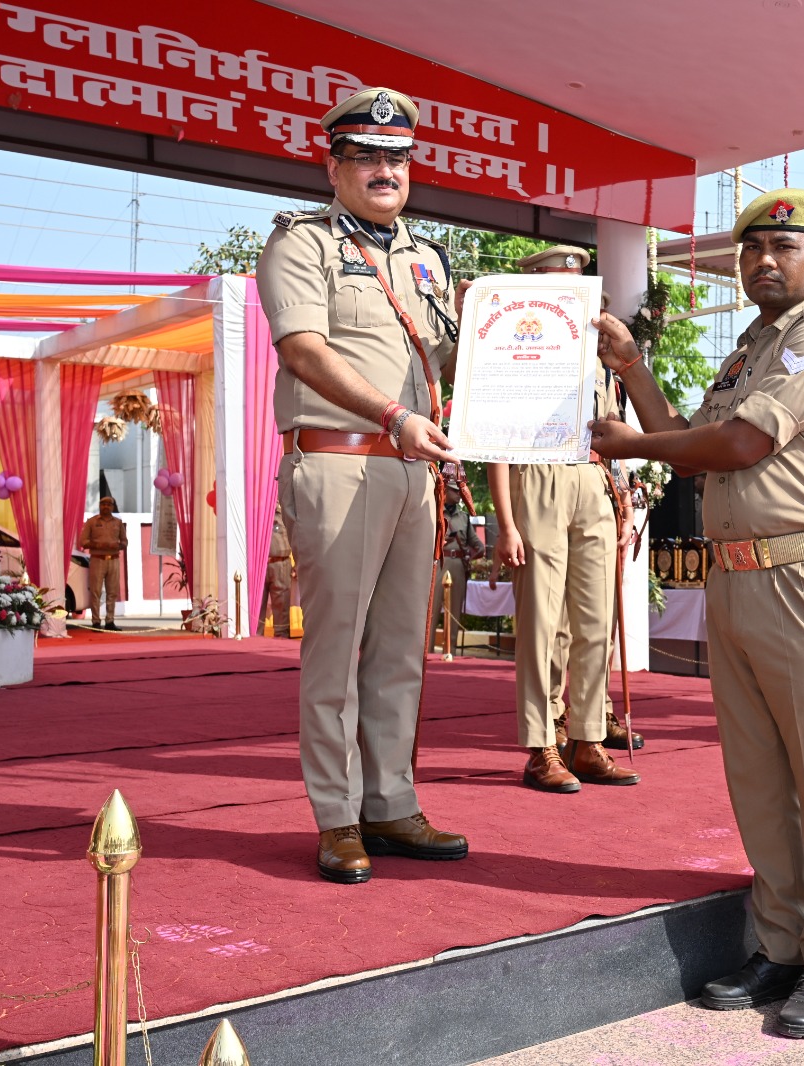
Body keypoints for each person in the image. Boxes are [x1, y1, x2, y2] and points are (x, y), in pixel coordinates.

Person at [589, 188, 804, 1039]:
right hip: (740, 580)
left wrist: (631, 445)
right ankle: (779, 943)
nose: (765, 261)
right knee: (757, 780)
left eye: (786, 246)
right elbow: (688, 439)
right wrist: (632, 364)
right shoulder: (754, 346)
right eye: (753, 249)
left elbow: (743, 444)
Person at [255, 86, 468, 885]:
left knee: (400, 653)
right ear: (334, 164)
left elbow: (441, 363)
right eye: (367, 157)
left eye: (397, 158)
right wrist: (390, 412)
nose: (385, 170)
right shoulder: (300, 244)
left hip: (414, 470)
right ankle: (337, 816)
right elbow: (305, 350)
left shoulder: (426, 255)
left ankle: (392, 803)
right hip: (340, 460)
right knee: (336, 653)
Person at [489, 244, 639, 792]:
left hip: (594, 483)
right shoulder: (516, 350)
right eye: (558, 288)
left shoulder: (601, 355)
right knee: (540, 624)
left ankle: (588, 739)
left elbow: (614, 433)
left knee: (597, 621)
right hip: (540, 479)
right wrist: (505, 522)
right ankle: (540, 747)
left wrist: (623, 500)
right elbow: (497, 444)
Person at [433, 476, 483, 652]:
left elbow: (479, 547)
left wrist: (469, 557)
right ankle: (427, 653)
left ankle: (451, 651)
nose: (459, 495)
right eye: (455, 490)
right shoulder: (433, 511)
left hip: (457, 565)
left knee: (454, 611)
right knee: (430, 611)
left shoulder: (463, 517)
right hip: (437, 563)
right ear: (445, 490)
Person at [78, 496, 126, 630]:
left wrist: (118, 545)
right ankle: (96, 622)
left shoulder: (118, 523)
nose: (106, 507)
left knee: (112, 592)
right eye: (103, 504)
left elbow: (125, 542)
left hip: (114, 560)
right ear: (99, 506)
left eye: (109, 504)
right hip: (97, 560)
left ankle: (110, 621)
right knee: (95, 591)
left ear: (112, 507)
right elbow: (83, 541)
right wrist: (99, 544)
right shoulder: (92, 522)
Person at [260, 512, 294, 639]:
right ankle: (254, 643)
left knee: (282, 606)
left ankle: (282, 641)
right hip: (258, 565)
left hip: (280, 562)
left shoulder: (285, 512)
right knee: (256, 610)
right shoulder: (253, 511)